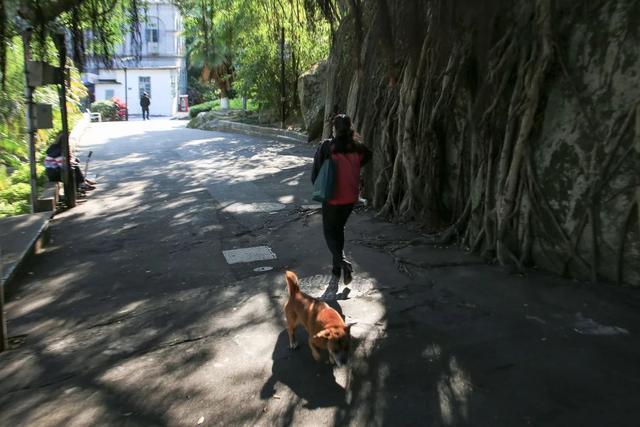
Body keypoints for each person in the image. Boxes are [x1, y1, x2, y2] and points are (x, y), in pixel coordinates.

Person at [311, 114, 372, 285]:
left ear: (334, 129)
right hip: (350, 197)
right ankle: (336, 269)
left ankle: (344, 263)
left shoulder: (327, 147)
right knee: (339, 230)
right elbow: (369, 155)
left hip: (332, 197)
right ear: (350, 127)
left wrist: (318, 186)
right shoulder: (357, 148)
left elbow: (316, 172)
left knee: (329, 233)